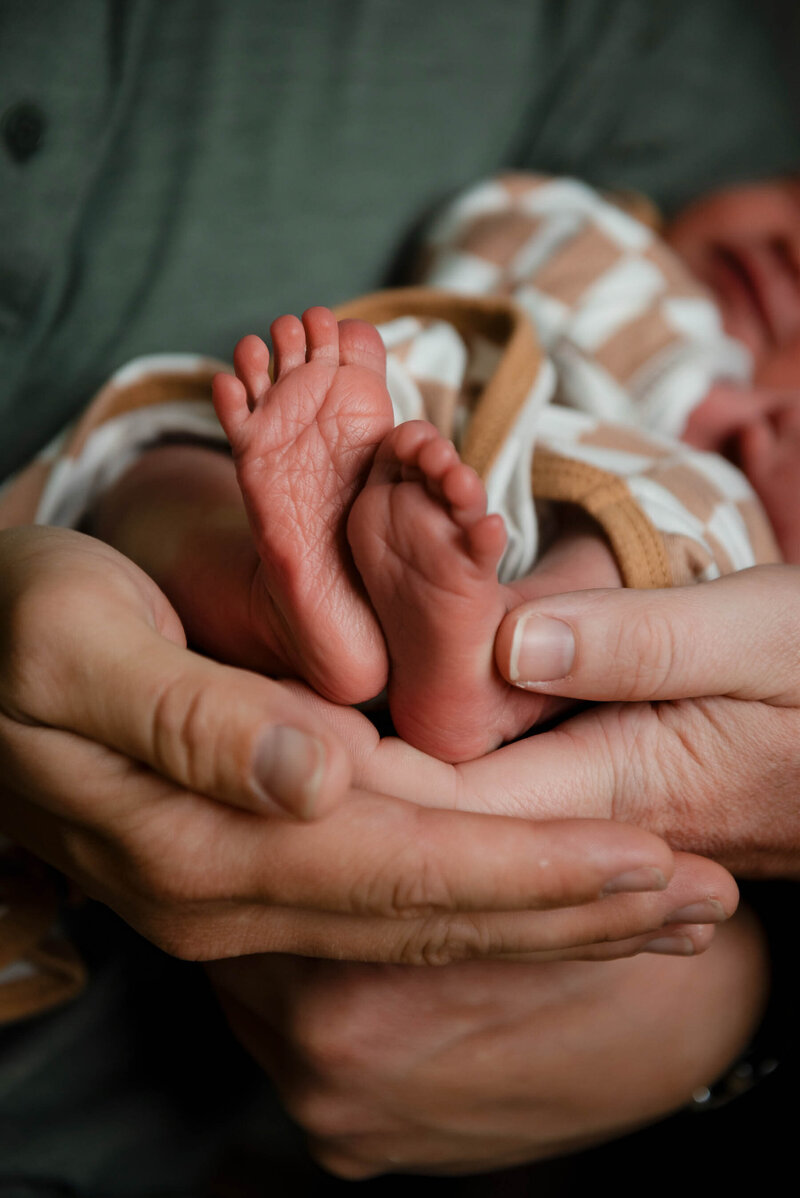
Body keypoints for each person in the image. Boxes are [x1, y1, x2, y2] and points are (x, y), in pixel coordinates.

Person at [1, 1, 799, 1191]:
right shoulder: (622, 254)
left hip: (496, 609)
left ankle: (481, 657)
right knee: (167, 476)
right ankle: (306, 600)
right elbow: (507, 226)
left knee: (687, 530)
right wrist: (689, 366)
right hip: (396, 465)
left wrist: (738, 1006)